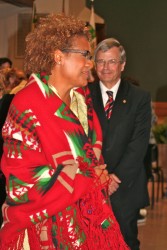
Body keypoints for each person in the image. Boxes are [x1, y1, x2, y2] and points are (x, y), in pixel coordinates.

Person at [0, 14, 129, 249]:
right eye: (85, 55)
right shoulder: (26, 105)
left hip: (86, 224)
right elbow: (25, 185)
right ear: (59, 56)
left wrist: (100, 179)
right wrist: (87, 180)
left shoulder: (82, 101)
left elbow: (90, 158)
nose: (90, 64)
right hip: (41, 232)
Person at [89, 38, 151, 250]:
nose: (105, 68)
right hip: (90, 185)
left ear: (122, 65)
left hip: (125, 186)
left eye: (112, 61)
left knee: (125, 242)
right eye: (100, 62)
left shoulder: (139, 97)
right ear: (94, 64)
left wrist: (114, 178)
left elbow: (139, 144)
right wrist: (99, 176)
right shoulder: (82, 95)